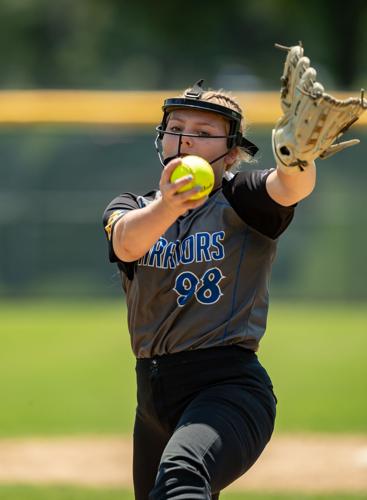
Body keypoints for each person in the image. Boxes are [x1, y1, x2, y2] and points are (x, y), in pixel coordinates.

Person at [102, 78, 316, 499]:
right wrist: (169, 205)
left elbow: (290, 187)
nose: (185, 141)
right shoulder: (133, 207)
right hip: (152, 399)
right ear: (161, 139)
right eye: (176, 128)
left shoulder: (241, 198)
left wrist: (298, 159)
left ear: (232, 151)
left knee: (183, 475)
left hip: (228, 389)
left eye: (203, 133)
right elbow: (127, 242)